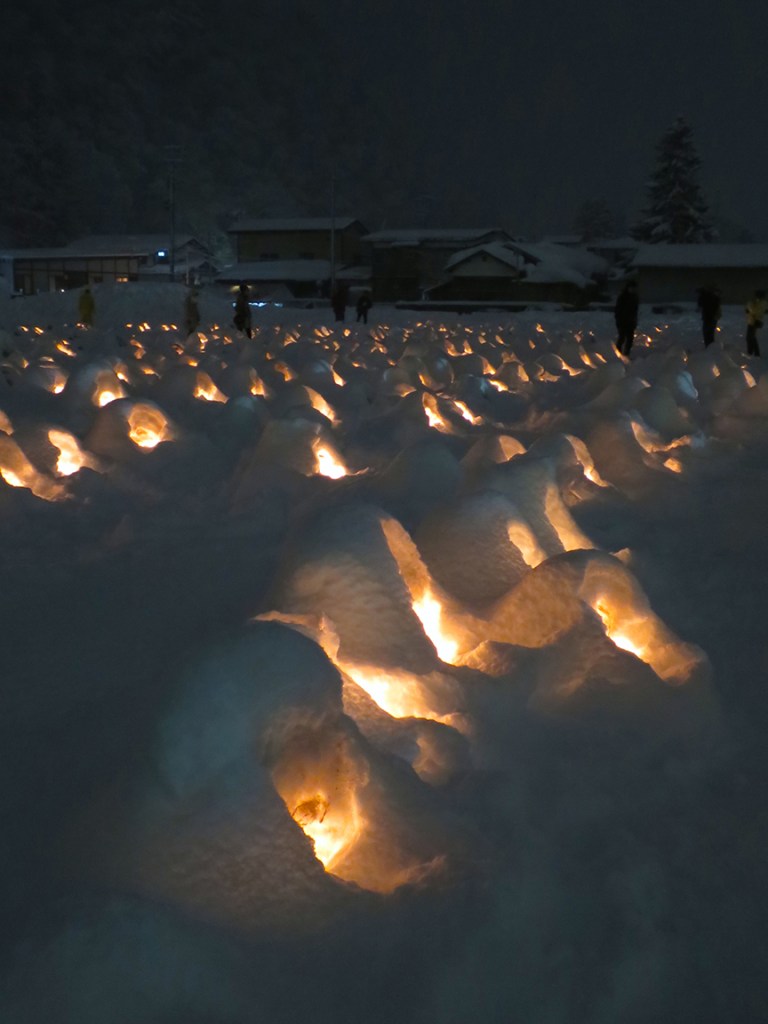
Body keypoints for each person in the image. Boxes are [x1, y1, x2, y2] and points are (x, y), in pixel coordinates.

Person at [614, 280, 639, 356]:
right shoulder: (622, 297)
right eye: (631, 288)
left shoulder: (634, 297)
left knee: (630, 339)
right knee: (621, 338)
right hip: (622, 321)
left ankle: (626, 353)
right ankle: (618, 353)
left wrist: (634, 321)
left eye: (634, 288)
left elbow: (635, 311)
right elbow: (618, 310)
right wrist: (618, 320)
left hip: (630, 322)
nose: (632, 290)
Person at [745, 288, 768, 357]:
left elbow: (754, 311)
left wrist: (750, 305)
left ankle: (752, 353)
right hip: (753, 321)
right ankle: (753, 353)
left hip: (755, 321)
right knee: (751, 337)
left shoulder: (761, 303)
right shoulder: (760, 302)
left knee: (750, 337)